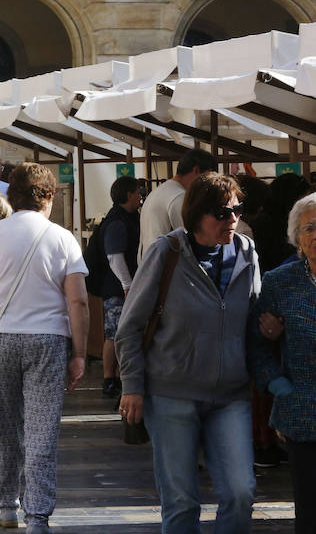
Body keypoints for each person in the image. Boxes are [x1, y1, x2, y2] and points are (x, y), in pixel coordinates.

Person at [117, 173, 260, 533]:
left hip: (231, 394)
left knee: (241, 493)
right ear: (196, 214)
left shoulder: (246, 252)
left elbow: (254, 316)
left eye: (237, 211)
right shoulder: (166, 252)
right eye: (222, 213)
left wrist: (268, 326)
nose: (232, 220)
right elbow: (130, 326)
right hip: (171, 394)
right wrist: (132, 385)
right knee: (181, 502)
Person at [0, 162, 89, 532]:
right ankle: (38, 516)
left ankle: (6, 505)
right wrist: (79, 353)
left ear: (11, 196)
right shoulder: (62, 238)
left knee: (8, 424)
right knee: (42, 431)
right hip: (47, 340)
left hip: (0, 339)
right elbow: (78, 302)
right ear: (47, 196)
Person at [248, 192, 316, 534]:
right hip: (303, 410)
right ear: (297, 238)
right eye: (310, 228)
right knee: (309, 512)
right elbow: (256, 346)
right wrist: (278, 385)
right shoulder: (280, 282)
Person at [93, 176, 143, 398]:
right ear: (128, 194)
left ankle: (113, 377)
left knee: (115, 333)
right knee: (115, 333)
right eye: (138, 191)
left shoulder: (124, 218)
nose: (141, 195)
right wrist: (128, 284)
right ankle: (110, 379)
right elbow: (115, 256)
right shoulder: (118, 222)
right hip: (118, 288)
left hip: (119, 287)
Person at [138, 149, 216, 261]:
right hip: (166, 268)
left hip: (150, 264)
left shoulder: (159, 191)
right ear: (197, 170)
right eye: (208, 177)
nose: (207, 184)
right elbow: (191, 239)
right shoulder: (179, 196)